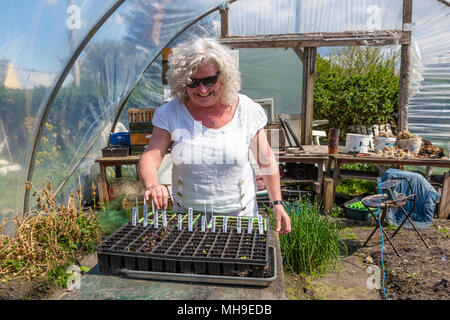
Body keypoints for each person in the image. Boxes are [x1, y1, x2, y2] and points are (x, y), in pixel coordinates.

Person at [138, 37, 291, 235]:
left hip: (239, 217)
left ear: (223, 77)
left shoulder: (246, 110)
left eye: (209, 80)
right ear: (182, 81)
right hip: (188, 218)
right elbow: (151, 156)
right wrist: (152, 184)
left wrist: (277, 203)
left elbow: (266, 160)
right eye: (193, 82)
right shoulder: (170, 113)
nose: (202, 89)